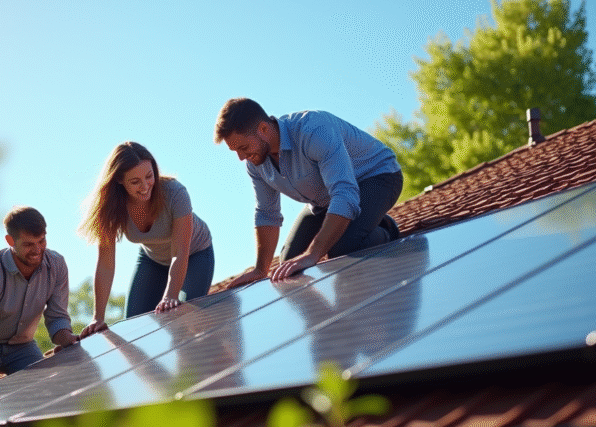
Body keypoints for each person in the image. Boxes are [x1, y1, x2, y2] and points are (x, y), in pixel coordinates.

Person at [214, 97, 403, 287]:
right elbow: (267, 213)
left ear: (263, 129)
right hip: (324, 200)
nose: (241, 157)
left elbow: (345, 193)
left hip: (377, 177)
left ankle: (386, 230)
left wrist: (313, 254)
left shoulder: (313, 130)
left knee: (342, 248)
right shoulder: (255, 163)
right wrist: (260, 269)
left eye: (243, 148)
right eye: (235, 151)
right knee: (288, 265)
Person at [77, 142, 214, 338]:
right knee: (134, 328)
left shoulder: (175, 193)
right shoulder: (110, 208)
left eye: (149, 176)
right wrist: (98, 317)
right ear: (119, 180)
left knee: (181, 319)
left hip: (194, 254)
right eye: (135, 182)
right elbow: (106, 265)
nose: (145, 186)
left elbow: (180, 252)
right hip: (153, 260)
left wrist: (170, 296)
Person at [0, 206, 79, 401]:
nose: (37, 250)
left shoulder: (57, 265)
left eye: (42, 241)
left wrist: (69, 341)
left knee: (48, 395)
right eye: (28, 244)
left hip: (22, 347)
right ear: (10, 241)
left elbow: (57, 319)